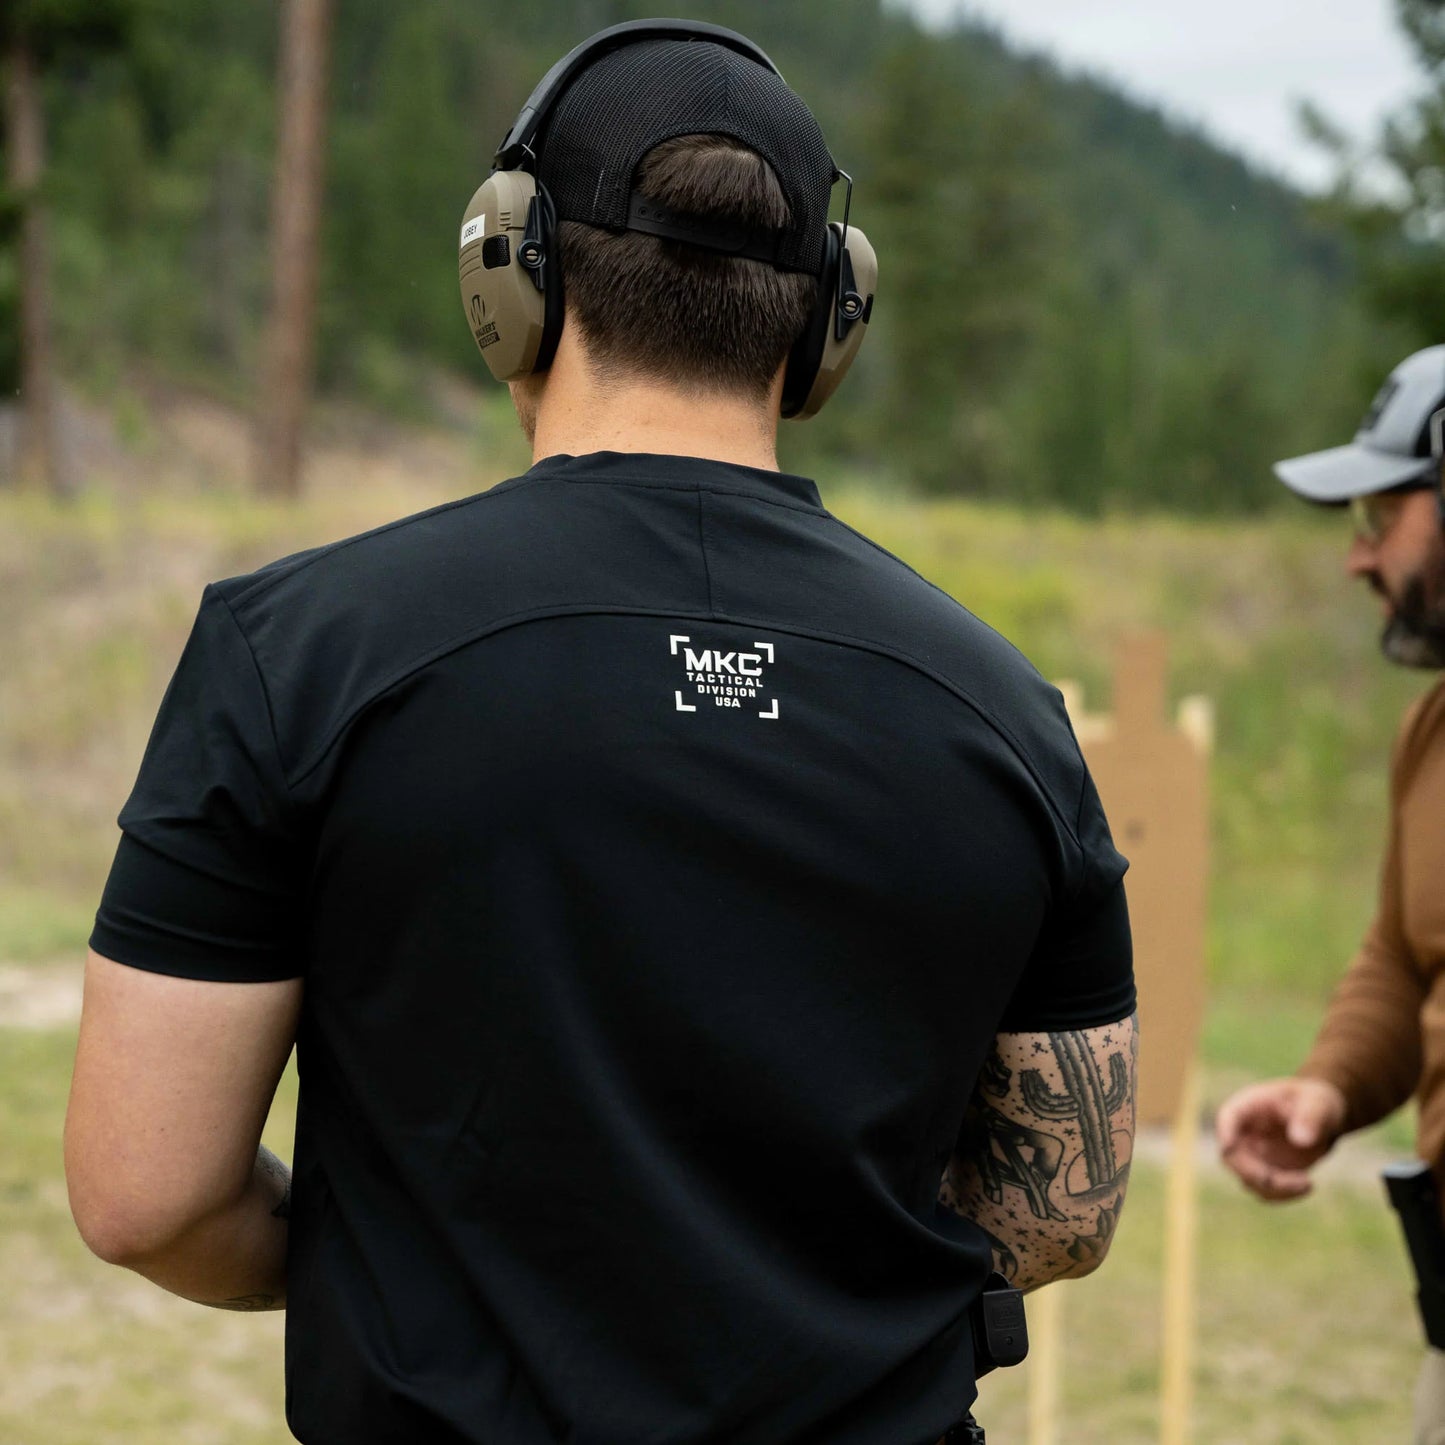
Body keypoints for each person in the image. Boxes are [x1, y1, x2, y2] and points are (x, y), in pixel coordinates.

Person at [64, 20, 1137, 1445]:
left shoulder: (296, 655)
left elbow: (147, 1192)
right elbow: (1061, 1209)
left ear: (508, 276)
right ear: (828, 323)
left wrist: (390, 1269)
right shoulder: (1003, 708)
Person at [1216, 343, 1445, 1444]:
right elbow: (1406, 955)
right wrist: (1327, 1086)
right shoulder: (1431, 728)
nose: (1356, 560)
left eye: (1378, 516)